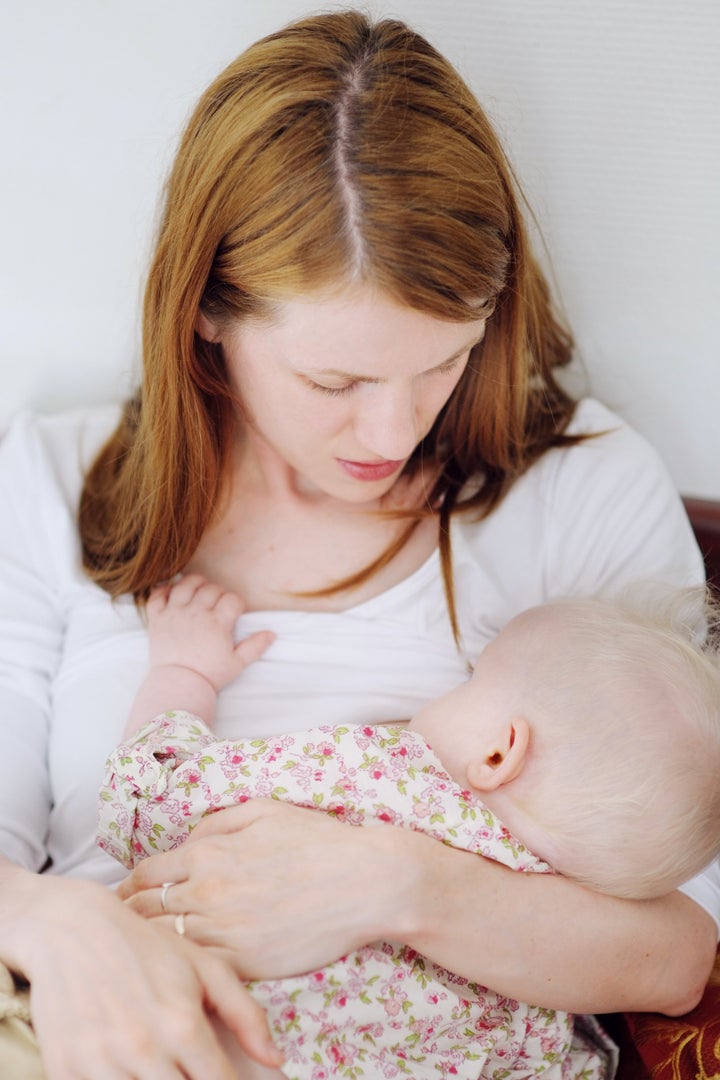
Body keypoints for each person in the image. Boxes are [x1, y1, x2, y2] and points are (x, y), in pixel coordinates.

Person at [0, 8, 718, 1079]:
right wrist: (55, 927)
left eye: (445, 361)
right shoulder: (54, 476)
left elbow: (678, 950)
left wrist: (398, 887)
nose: (396, 432)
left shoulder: (581, 484)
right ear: (206, 312)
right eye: (337, 381)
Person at [96, 575, 720, 1078]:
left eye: (474, 677)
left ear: (499, 753)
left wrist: (184, 675)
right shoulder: (557, 990)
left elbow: (149, 805)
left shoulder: (383, 776)